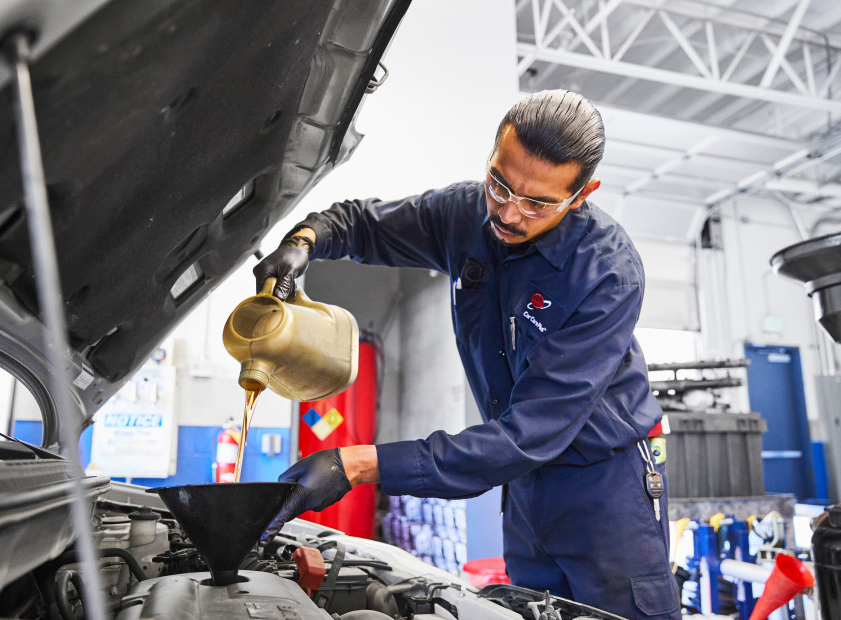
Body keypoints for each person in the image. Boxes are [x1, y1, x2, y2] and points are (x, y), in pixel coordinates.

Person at [254, 90, 681, 620]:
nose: (508, 211)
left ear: (582, 193)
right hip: (526, 486)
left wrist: (358, 463)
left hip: (604, 485)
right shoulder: (465, 217)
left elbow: (530, 433)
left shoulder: (606, 274)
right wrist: (305, 240)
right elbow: (364, 224)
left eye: (537, 202)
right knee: (531, 611)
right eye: (499, 183)